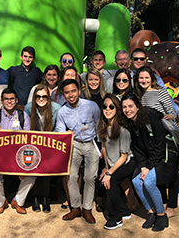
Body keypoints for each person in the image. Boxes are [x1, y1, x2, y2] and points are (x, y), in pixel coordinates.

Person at [135, 66, 179, 218]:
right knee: (159, 171)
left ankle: (171, 206)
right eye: (141, 78)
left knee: (171, 172)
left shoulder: (160, 91)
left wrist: (168, 117)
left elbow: (171, 111)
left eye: (146, 77)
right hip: (150, 138)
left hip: (166, 136)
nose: (144, 80)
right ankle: (163, 203)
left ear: (152, 78)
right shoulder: (139, 94)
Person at [120, 93, 169, 232]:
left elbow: (160, 144)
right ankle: (151, 213)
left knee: (148, 182)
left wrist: (148, 167)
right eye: (124, 107)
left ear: (137, 107)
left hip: (161, 157)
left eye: (130, 106)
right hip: (146, 160)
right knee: (136, 182)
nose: (127, 110)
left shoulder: (150, 118)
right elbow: (136, 149)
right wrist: (142, 166)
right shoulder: (128, 123)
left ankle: (161, 215)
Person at [55, 79, 101, 224]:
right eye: (67, 92)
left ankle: (87, 209)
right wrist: (65, 133)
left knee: (89, 177)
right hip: (74, 144)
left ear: (79, 91)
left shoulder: (91, 106)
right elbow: (59, 130)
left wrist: (101, 147)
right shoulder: (62, 111)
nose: (71, 95)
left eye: (73, 91)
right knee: (71, 176)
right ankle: (75, 207)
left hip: (91, 143)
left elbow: (99, 125)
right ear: (63, 94)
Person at [0, 88, 35, 215]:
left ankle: (18, 201)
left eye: (12, 99)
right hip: (0, 158)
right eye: (6, 99)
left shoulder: (23, 116)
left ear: (16, 100)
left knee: (31, 176)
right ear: (1, 101)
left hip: (19, 157)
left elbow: (29, 141)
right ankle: (1, 202)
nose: (9, 101)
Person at [98, 94, 135, 230]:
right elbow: (104, 148)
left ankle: (116, 218)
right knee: (105, 180)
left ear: (117, 109)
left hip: (126, 163)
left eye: (111, 107)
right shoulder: (102, 127)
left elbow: (124, 157)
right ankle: (124, 211)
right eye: (105, 106)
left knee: (110, 181)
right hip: (112, 164)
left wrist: (110, 173)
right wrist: (106, 168)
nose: (107, 109)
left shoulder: (123, 131)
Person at [24, 84, 61, 212]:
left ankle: (45, 197)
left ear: (48, 97)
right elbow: (26, 127)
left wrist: (49, 140)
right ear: (34, 98)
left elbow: (58, 128)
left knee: (46, 169)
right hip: (33, 143)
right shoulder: (29, 108)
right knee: (33, 167)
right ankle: (34, 197)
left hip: (49, 144)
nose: (41, 99)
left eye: (44, 96)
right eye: (38, 96)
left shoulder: (56, 108)